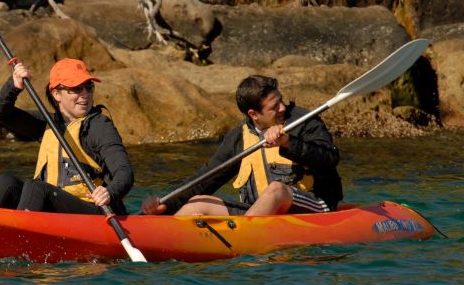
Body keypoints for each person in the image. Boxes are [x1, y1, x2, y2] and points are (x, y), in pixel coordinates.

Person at [142, 74, 342, 216]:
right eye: (274, 107)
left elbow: (329, 159)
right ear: (253, 114)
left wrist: (288, 143)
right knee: (197, 203)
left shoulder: (305, 121)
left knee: (276, 190)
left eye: (280, 100)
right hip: (258, 213)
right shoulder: (239, 137)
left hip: (314, 206)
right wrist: (165, 205)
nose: (282, 107)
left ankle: (245, 238)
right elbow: (206, 179)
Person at [0, 58, 134, 215]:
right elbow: (1, 114)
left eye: (88, 87)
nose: (85, 94)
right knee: (7, 182)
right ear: (56, 94)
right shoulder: (47, 124)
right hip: (56, 210)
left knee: (36, 187)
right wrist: (14, 85)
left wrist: (109, 192)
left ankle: (21, 235)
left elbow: (124, 172)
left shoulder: (98, 126)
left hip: (94, 212)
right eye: (77, 89)